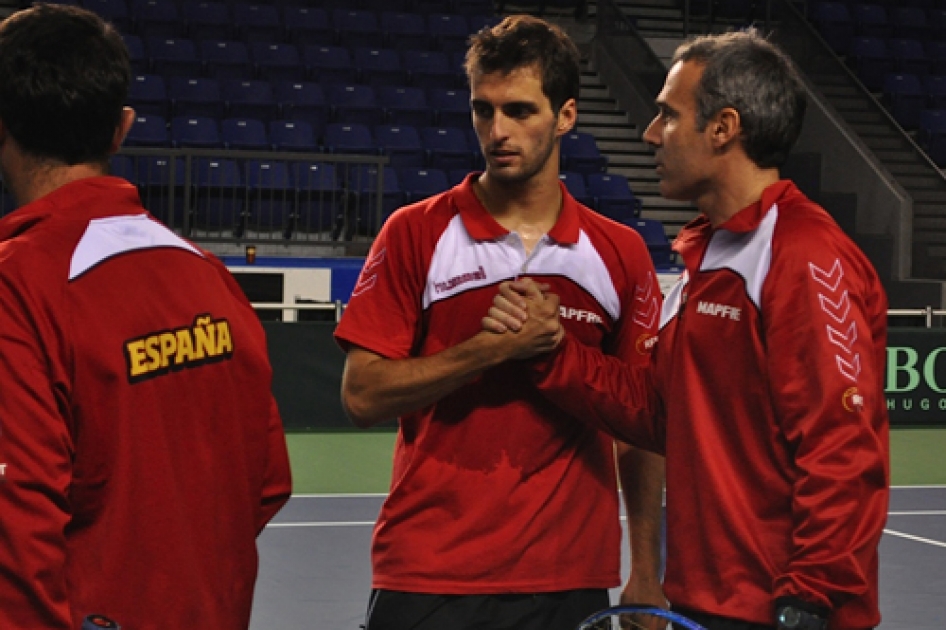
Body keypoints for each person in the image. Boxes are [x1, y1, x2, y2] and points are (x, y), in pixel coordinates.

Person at [486, 30, 890, 630]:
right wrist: (553, 351)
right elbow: (658, 414)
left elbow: (843, 444)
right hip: (707, 601)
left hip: (785, 610)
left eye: (668, 117)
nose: (651, 134)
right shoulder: (708, 260)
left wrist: (811, 597)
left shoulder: (804, 254)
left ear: (724, 127)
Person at [334, 14, 666, 630]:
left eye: (519, 110)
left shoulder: (620, 253)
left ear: (566, 115)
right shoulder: (415, 233)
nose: (497, 130)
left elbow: (640, 425)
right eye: (483, 111)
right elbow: (362, 395)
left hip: (568, 575)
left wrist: (646, 567)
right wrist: (487, 351)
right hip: (427, 567)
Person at [0, 5, 292, 629]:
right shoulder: (208, 274)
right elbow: (267, 482)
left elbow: (15, 524)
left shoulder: (17, 284)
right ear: (121, 129)